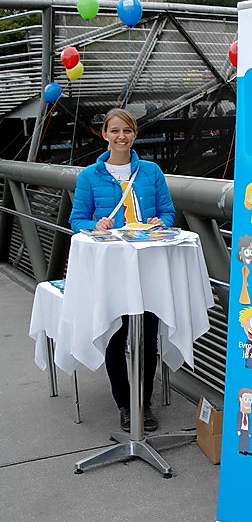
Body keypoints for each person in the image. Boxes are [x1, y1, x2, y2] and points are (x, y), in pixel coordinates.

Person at [69, 108, 175, 433]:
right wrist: (95, 224)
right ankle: (125, 404)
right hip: (112, 271)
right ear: (105, 135)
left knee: (147, 337)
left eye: (127, 131)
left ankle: (143, 402)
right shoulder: (89, 176)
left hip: (147, 267)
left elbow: (168, 212)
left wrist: (160, 222)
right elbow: (77, 220)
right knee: (116, 336)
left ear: (135, 134)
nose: (121, 137)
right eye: (114, 131)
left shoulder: (151, 171)